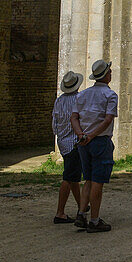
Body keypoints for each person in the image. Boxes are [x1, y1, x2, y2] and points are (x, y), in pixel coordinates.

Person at [70, 59, 118, 233]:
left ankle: (81, 214)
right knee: (98, 181)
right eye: (110, 72)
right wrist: (92, 135)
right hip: (99, 141)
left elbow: (74, 117)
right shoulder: (110, 95)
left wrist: (81, 135)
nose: (111, 74)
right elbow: (107, 120)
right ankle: (95, 220)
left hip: (83, 142)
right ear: (105, 75)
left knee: (88, 179)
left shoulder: (82, 94)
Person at [51, 70, 85, 225]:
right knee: (68, 177)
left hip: (63, 142)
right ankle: (60, 213)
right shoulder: (79, 99)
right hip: (74, 143)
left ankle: (82, 207)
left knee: (73, 177)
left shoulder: (59, 101)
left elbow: (54, 123)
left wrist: (60, 135)